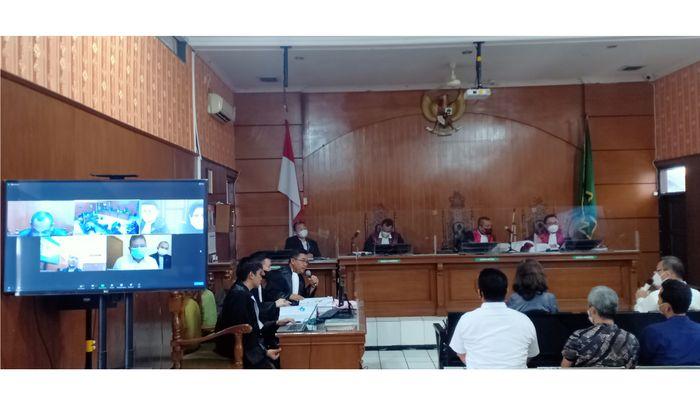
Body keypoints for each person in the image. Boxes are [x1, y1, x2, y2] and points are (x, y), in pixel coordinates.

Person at [449, 268, 539, 369]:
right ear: (506, 291)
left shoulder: (466, 320)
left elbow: (460, 353)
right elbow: (531, 354)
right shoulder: (524, 320)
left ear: (480, 293)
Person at [214, 259, 294, 368]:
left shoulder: (243, 291)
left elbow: (253, 325)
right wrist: (264, 352)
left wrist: (276, 323)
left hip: (248, 344)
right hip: (236, 347)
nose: (262, 277)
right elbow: (244, 331)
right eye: (260, 274)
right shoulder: (239, 296)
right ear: (251, 275)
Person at [561, 286, 639, 368]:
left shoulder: (578, 336)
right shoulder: (631, 339)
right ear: (616, 309)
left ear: (593, 310)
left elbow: (565, 369)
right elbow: (631, 370)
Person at [639, 279, 700, 366]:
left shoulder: (652, 332)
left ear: (667, 307)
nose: (658, 302)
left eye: (659, 299)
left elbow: (642, 363)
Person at [634, 256, 700, 313]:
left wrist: (640, 299)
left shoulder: (655, 296)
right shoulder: (697, 294)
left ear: (667, 274)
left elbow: (639, 313)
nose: (654, 273)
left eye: (658, 270)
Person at [249, 252, 290, 321]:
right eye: (268, 267)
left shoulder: (267, 282)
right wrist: (274, 304)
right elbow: (256, 309)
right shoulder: (251, 287)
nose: (270, 270)